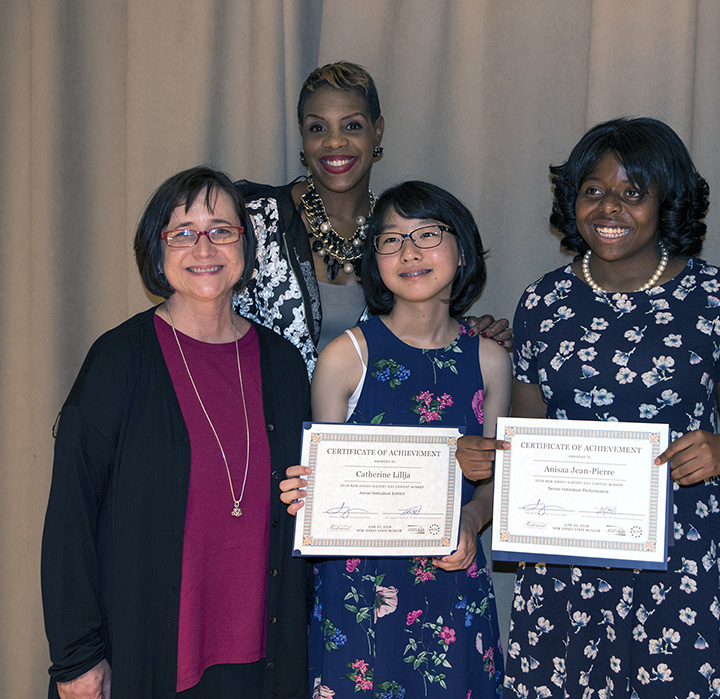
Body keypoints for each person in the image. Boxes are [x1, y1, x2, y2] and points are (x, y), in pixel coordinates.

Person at [486, 117, 720, 698]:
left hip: (680, 563)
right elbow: (524, 437)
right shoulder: (543, 301)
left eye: (633, 192)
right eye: (593, 191)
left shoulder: (719, 298)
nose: (610, 208)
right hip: (562, 566)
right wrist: (486, 455)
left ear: (669, 202)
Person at [40, 167, 311, 699]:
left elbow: (300, 501)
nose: (204, 247)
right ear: (157, 251)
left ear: (246, 247)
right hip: (148, 657)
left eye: (222, 230)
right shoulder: (118, 360)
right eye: (182, 232)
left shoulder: (283, 364)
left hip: (264, 660)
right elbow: (70, 517)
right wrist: (77, 659)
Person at [280, 181, 511, 697]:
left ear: (462, 248)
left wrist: (473, 520)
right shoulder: (344, 356)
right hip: (359, 590)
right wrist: (307, 491)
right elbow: (327, 481)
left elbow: (496, 479)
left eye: (427, 234)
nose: (409, 252)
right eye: (390, 239)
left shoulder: (491, 360)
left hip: (453, 578)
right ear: (375, 258)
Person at [234, 61, 509, 375]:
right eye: (317, 128)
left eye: (351, 126)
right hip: (264, 419)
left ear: (376, 131)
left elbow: (418, 331)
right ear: (303, 136)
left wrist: (462, 331)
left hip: (372, 422)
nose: (334, 142)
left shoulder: (399, 236)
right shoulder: (254, 222)